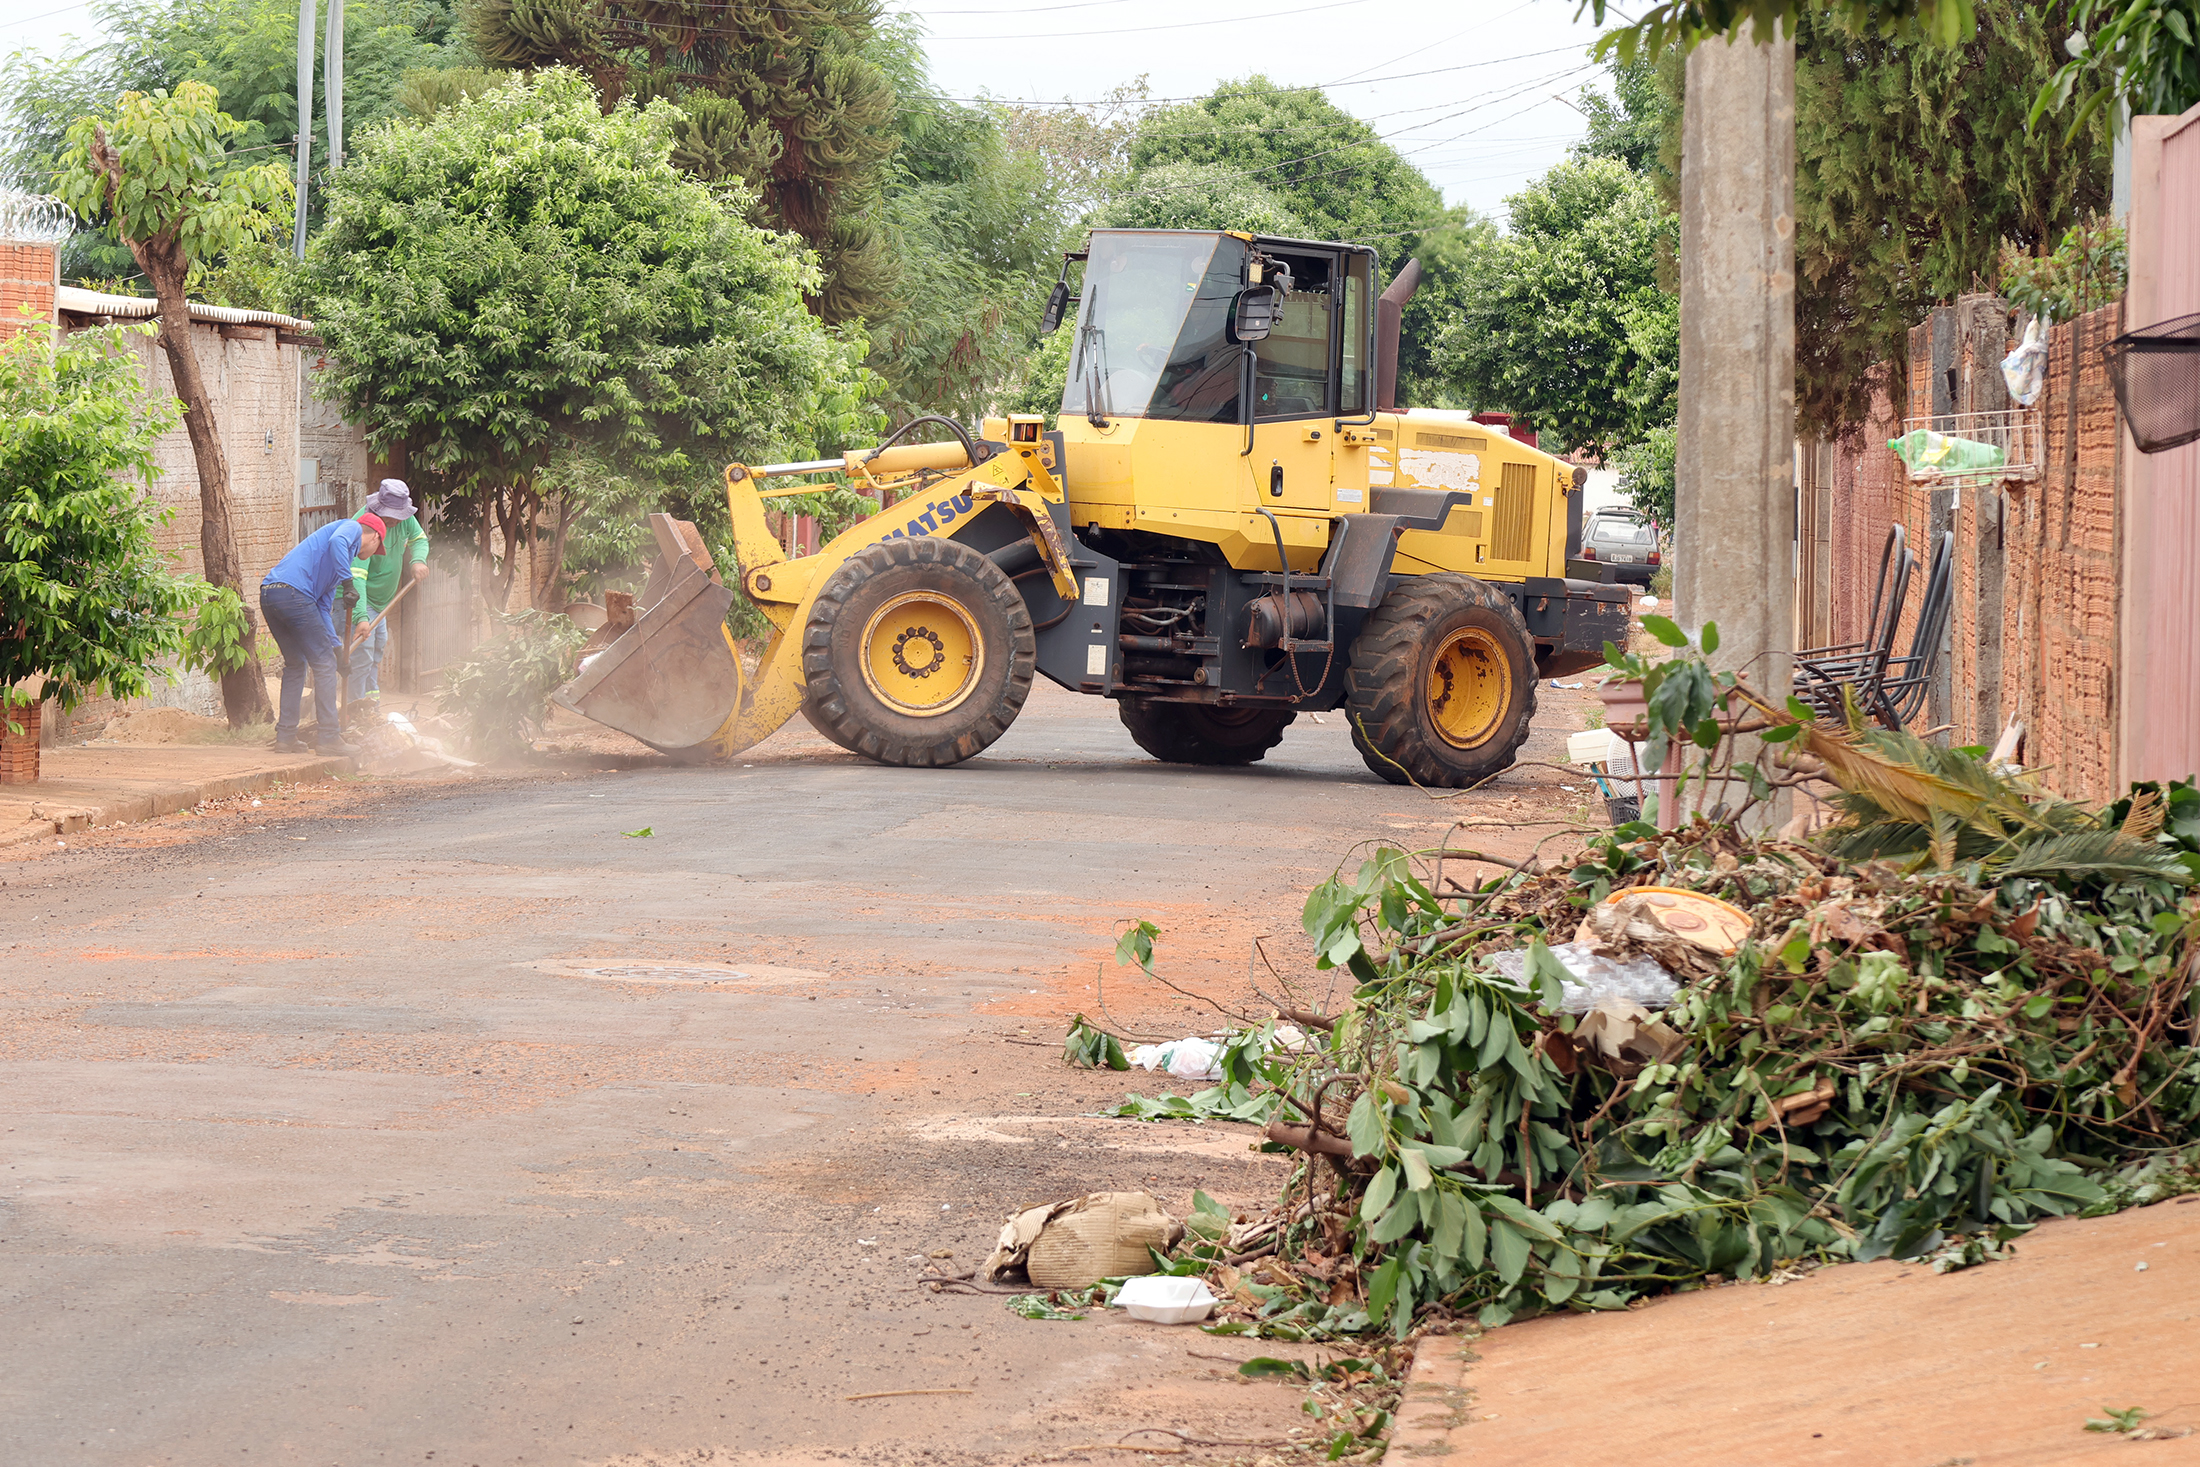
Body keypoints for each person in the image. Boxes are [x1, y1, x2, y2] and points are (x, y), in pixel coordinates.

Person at [260, 510, 387, 754]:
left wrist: (337, 650)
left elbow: (322, 610)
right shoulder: (351, 527)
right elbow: (336, 542)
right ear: (375, 538)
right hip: (295, 594)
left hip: (271, 593)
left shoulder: (334, 569)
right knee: (323, 665)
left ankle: (285, 737)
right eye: (376, 550)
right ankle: (329, 738)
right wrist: (349, 583)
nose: (372, 555)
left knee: (296, 665)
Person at [345, 480, 429, 726]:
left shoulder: (405, 521)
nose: (395, 521)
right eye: (391, 516)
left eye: (399, 515)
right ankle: (354, 714)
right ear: (379, 508)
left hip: (382, 601)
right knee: (362, 654)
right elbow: (356, 578)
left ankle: (370, 709)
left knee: (376, 650)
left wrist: (418, 560)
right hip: (360, 598)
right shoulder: (364, 526)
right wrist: (361, 617)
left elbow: (419, 540)